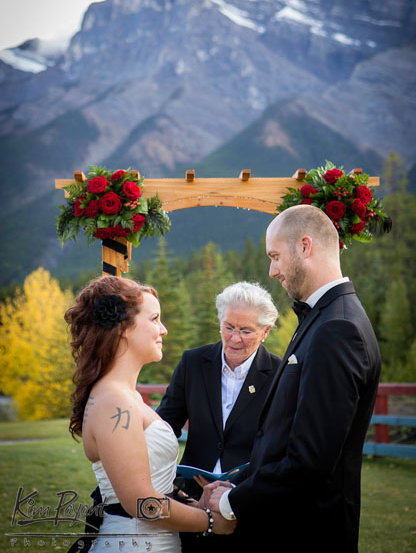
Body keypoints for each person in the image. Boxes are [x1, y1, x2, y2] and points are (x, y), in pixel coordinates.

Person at [206, 205, 382, 553]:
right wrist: (235, 483)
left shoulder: (338, 328)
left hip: (306, 533)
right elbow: (283, 435)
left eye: (275, 256)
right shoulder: (325, 318)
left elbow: (310, 460)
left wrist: (231, 504)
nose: (272, 271)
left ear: (304, 247)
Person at [65, 275, 235, 553]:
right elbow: (140, 502)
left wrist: (198, 503)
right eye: (154, 319)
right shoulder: (113, 402)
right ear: (123, 328)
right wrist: (209, 521)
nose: (164, 329)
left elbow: (154, 486)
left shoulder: (126, 396)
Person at [156, 281, 281, 551]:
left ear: (265, 332)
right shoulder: (193, 362)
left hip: (248, 502)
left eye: (246, 331)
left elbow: (280, 446)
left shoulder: (280, 375)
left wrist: (240, 486)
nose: (235, 339)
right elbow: (165, 425)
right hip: (192, 499)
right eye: (228, 327)